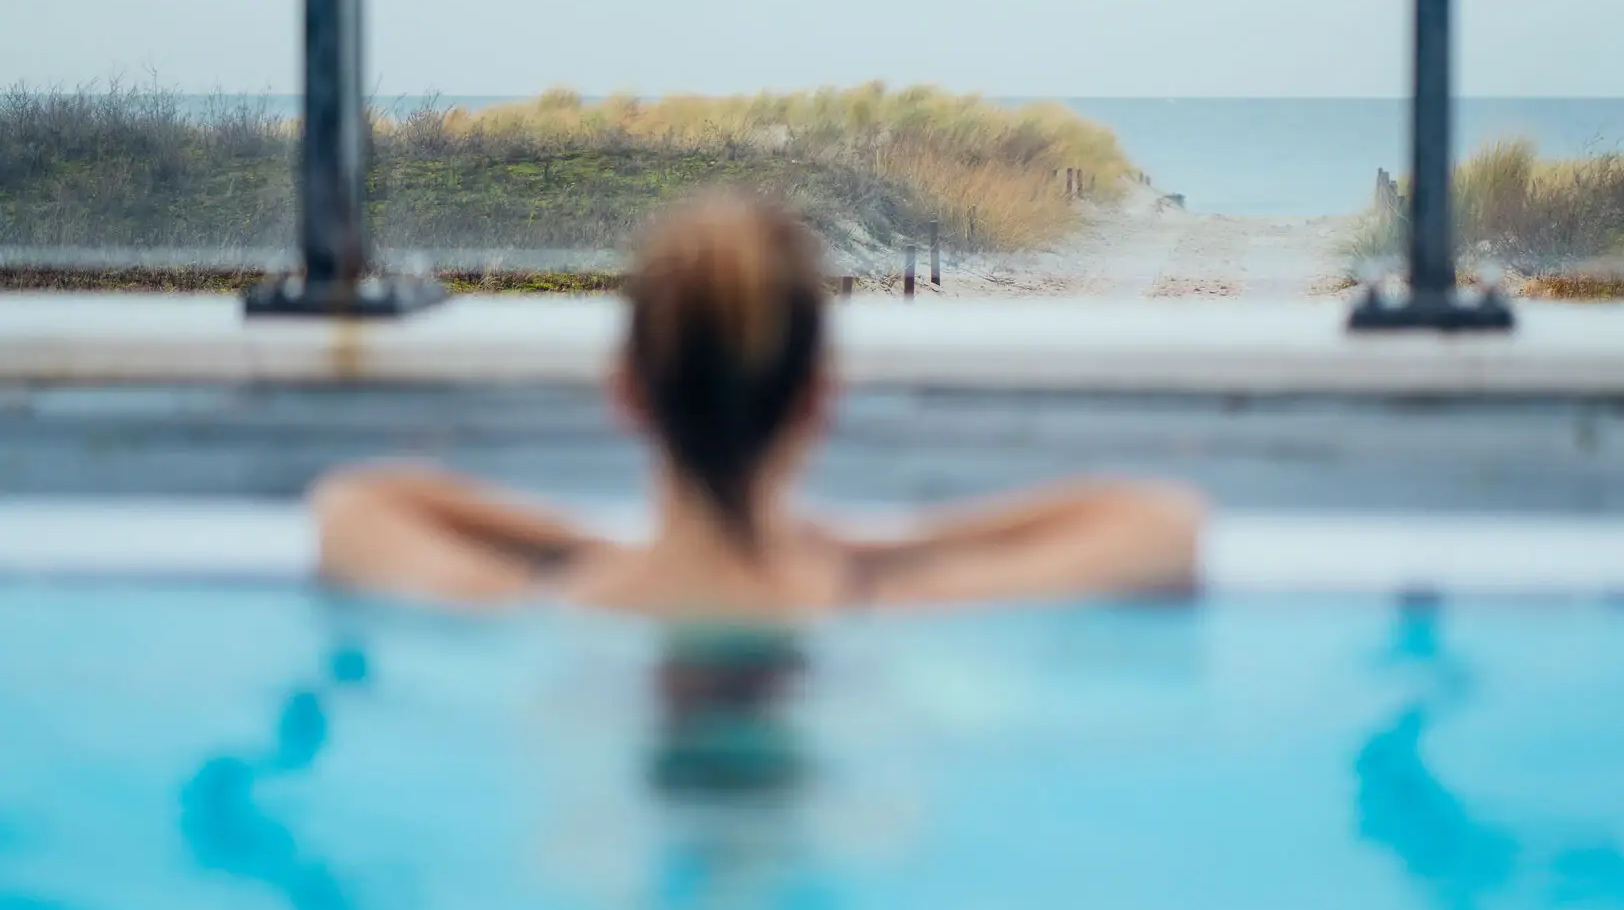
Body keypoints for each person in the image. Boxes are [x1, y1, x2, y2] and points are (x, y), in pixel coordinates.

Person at [312, 194, 1205, 615]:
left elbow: (357, 502)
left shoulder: (544, 602)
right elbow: (1158, 521)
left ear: (627, 392)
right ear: (818, 398)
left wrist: (596, 553)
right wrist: (882, 552)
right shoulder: (877, 602)